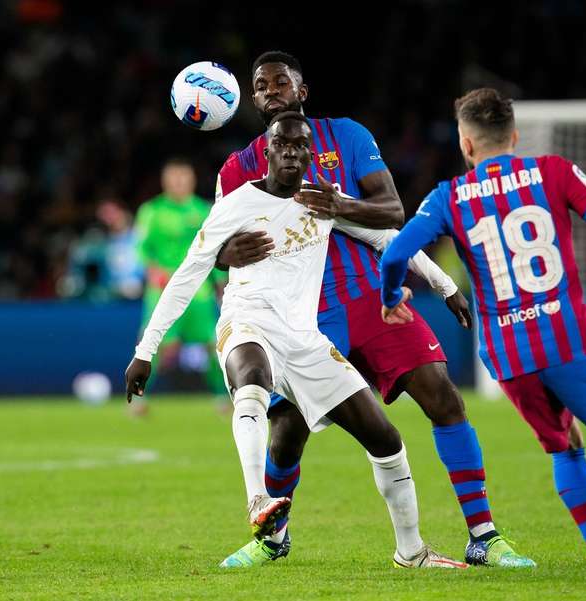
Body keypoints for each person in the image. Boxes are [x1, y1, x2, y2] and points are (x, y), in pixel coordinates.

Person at [214, 51, 533, 568]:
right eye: (260, 85)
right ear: (251, 99)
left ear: (303, 90)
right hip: (300, 316)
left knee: (443, 396)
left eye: (281, 82)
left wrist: (432, 275)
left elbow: (390, 213)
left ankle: (484, 535)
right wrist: (223, 258)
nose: (271, 90)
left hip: (372, 299)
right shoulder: (237, 168)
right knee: (287, 430)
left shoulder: (347, 136)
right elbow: (223, 248)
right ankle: (272, 536)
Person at [380, 88, 586, 586]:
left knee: (564, 446)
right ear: (513, 136)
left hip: (506, 354)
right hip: (564, 335)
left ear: (466, 144)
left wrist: (390, 297)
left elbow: (393, 254)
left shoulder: (446, 196)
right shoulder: (552, 171)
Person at [125, 113, 466, 570]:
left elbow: (387, 237)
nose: (291, 153)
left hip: (304, 339)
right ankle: (256, 503)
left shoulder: (321, 200)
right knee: (252, 379)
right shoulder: (236, 205)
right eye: (281, 146)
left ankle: (412, 551)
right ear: (266, 152)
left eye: (300, 146)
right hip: (246, 322)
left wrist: (446, 287)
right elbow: (187, 276)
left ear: (310, 152)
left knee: (385, 439)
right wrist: (145, 351)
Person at [134, 158, 225, 404]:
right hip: (163, 289)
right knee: (156, 346)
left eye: (183, 177)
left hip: (199, 291)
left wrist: (220, 284)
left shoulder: (204, 210)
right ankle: (138, 398)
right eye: (173, 178)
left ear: (192, 180)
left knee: (214, 346)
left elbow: (215, 251)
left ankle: (222, 397)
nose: (178, 182)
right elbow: (142, 249)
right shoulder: (151, 211)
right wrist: (152, 270)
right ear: (165, 181)